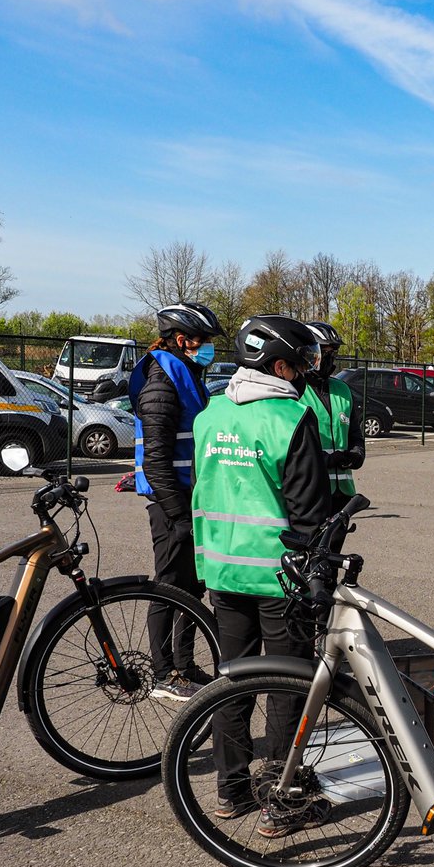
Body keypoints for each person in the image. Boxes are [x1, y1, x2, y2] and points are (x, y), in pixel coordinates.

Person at [191, 314, 331, 837]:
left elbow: (202, 490)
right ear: (277, 366)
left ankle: (230, 791)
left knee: (234, 684)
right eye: (297, 365)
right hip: (280, 577)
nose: (302, 375)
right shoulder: (290, 418)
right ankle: (284, 799)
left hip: (224, 571)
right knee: (287, 688)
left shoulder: (211, 414)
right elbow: (309, 512)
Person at [131, 302, 220, 702]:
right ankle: (163, 673)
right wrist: (178, 515)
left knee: (191, 587)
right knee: (167, 587)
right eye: (203, 342)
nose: (208, 351)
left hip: (189, 498)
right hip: (171, 505)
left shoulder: (184, 374)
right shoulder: (160, 383)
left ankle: (185, 664)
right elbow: (156, 458)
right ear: (182, 340)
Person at [300, 320, 366, 513]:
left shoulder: (342, 390)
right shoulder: (296, 392)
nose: (329, 357)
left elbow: (354, 434)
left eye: (332, 352)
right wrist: (329, 460)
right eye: (323, 351)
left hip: (342, 494)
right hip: (311, 492)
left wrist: (356, 454)